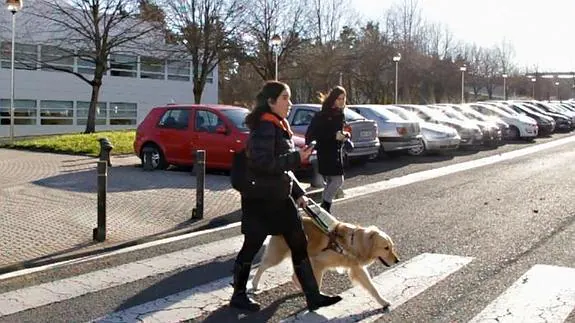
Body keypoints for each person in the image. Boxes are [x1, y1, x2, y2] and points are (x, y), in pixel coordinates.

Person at [230, 81, 343, 312]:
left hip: (281, 198)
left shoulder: (279, 126)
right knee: (251, 246)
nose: (289, 104)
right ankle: (238, 295)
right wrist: (296, 157)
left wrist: (299, 193)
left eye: (289, 98)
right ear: (271, 102)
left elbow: (282, 168)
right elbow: (263, 164)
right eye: (285, 98)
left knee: (299, 243)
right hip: (261, 200)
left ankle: (313, 295)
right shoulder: (264, 128)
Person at [305, 86, 350, 213]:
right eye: (338, 99)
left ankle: (323, 210)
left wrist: (345, 136)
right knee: (337, 180)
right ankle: (325, 207)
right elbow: (313, 135)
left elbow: (338, 131)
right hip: (326, 152)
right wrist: (333, 136)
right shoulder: (323, 115)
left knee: (332, 181)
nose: (341, 101)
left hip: (336, 151)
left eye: (343, 99)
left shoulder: (340, 114)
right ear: (333, 99)